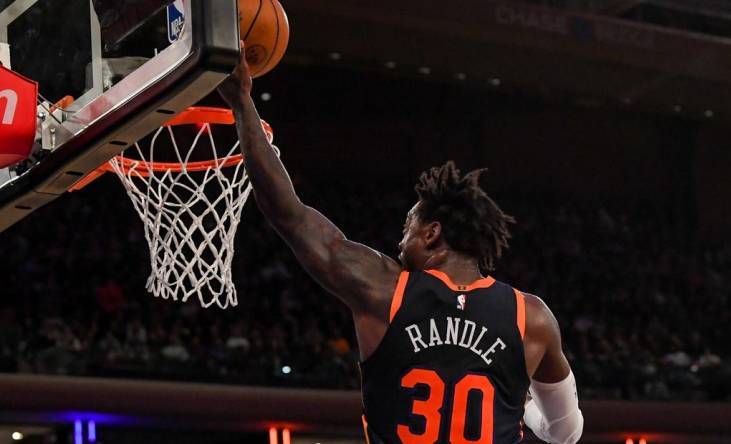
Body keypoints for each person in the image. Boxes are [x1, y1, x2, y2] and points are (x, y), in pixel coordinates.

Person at [217, 44, 583, 444]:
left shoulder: (385, 289)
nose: (400, 241)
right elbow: (565, 433)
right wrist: (524, 402)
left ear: (432, 233)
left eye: (408, 226)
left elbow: (288, 213)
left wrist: (242, 103)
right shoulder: (531, 317)